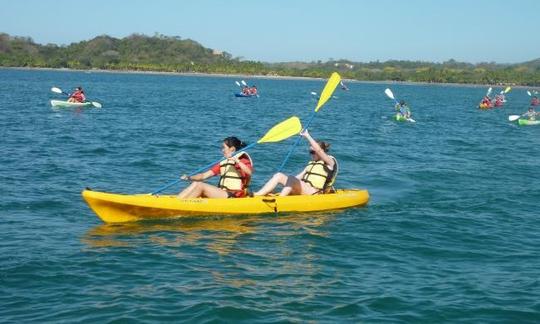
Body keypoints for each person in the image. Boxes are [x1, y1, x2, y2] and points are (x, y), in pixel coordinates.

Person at [254, 129, 337, 197]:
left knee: (291, 178)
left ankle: (280, 200)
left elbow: (318, 150)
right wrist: (285, 183)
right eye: (310, 152)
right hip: (304, 189)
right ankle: (258, 194)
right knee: (278, 175)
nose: (311, 154)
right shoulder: (311, 163)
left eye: (313, 152)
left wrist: (307, 135)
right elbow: (297, 178)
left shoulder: (329, 162)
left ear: (321, 151)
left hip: (314, 193)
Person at [178, 137, 253, 199]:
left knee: (200, 185)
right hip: (223, 193)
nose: (222, 150)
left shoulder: (242, 160)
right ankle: (178, 200)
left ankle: (181, 205)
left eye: (224, 148)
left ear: (232, 149)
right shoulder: (224, 162)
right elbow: (204, 176)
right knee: (195, 183)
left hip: (235, 195)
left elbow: (249, 172)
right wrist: (189, 178)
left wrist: (236, 160)